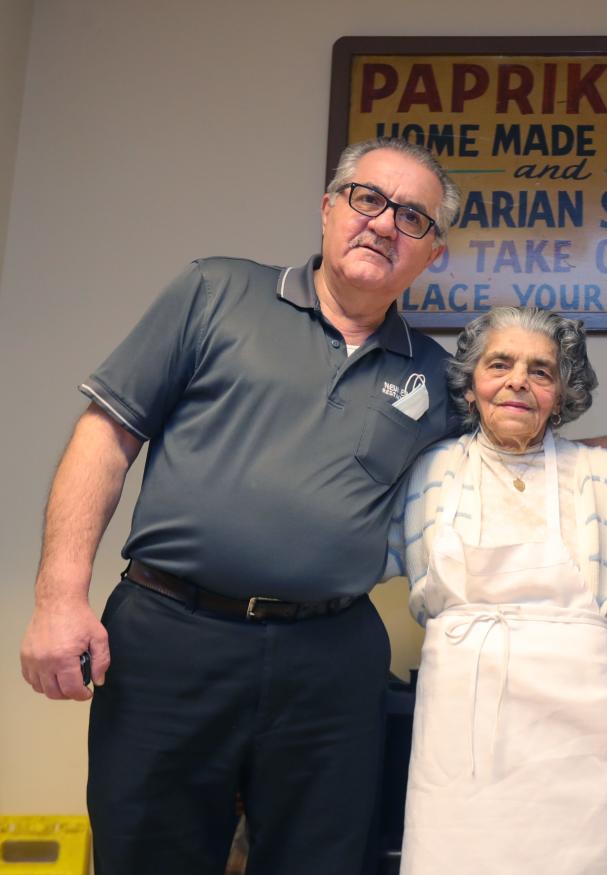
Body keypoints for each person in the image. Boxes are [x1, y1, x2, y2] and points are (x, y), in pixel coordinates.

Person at [19, 137, 462, 875]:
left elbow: (526, 450)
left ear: (432, 254)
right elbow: (105, 435)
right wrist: (58, 597)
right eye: (368, 199)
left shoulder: (437, 378)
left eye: (413, 217)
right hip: (171, 637)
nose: (386, 224)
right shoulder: (215, 291)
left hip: (332, 660)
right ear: (328, 209)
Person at [383, 306, 607, 875]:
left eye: (541, 371)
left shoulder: (603, 476)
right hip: (465, 745)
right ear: (471, 384)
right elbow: (354, 559)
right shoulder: (428, 470)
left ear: (562, 392)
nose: (519, 380)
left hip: (598, 743)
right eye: (501, 364)